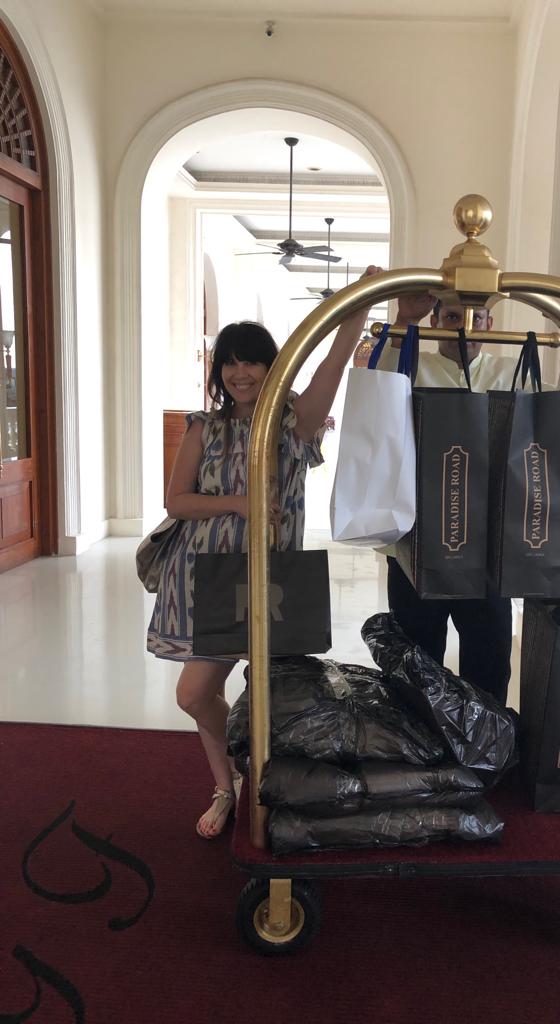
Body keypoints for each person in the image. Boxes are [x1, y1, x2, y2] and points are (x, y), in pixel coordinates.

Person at [146, 268, 381, 839]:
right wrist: (240, 503)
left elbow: (329, 372)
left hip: (265, 580)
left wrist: (354, 311)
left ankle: (251, 775)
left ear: (272, 367)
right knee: (199, 692)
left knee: (232, 694)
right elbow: (177, 502)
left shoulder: (292, 424)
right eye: (229, 362)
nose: (240, 372)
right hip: (203, 576)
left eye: (251, 360)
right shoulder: (204, 427)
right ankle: (228, 785)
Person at [374, 292, 560, 707]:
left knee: (489, 661)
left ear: (491, 323)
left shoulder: (511, 374)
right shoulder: (411, 368)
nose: (466, 327)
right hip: (416, 544)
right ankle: (416, 742)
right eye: (453, 316)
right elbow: (378, 399)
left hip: (489, 551)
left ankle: (485, 742)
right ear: (436, 322)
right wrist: (403, 322)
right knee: (415, 661)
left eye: (478, 318)